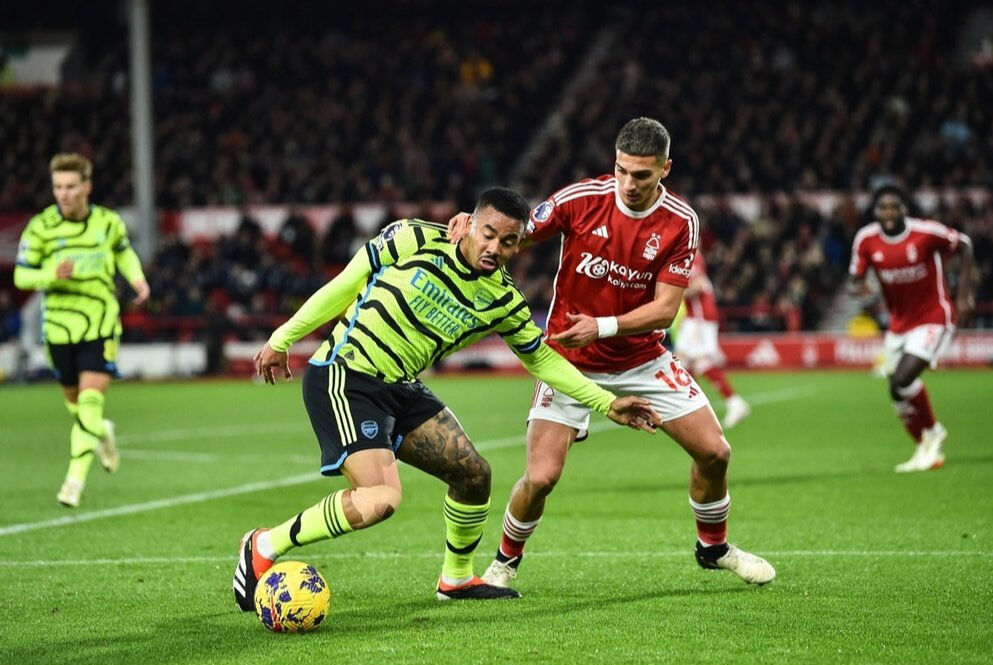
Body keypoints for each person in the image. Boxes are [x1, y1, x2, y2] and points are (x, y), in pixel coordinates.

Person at [235, 187, 661, 609]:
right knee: (381, 499)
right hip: (347, 375)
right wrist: (283, 337)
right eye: (489, 233)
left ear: (519, 245)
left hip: (401, 387)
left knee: (474, 475)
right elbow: (344, 284)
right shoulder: (411, 238)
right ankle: (263, 544)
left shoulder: (502, 301)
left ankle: (455, 579)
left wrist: (607, 402)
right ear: (471, 223)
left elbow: (543, 361)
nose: (495, 247)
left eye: (508, 241)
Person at [449, 118, 775, 590]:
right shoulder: (579, 200)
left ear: (665, 169)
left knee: (715, 452)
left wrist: (601, 326)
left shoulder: (680, 223)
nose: (629, 183)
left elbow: (665, 310)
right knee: (540, 478)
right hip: (567, 360)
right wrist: (472, 227)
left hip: (643, 359)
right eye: (621, 170)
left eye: (642, 175)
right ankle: (503, 563)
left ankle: (714, 548)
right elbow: (514, 235)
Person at [13, 153, 150, 507]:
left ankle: (74, 480)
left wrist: (138, 281)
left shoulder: (107, 222)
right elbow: (21, 275)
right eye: (58, 187)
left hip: (100, 324)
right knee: (79, 409)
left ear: (86, 187)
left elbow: (124, 253)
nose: (64, 193)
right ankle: (103, 431)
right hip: (58, 329)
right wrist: (49, 276)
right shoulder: (41, 227)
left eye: (71, 186)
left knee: (89, 404)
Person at [848, 184, 975, 472]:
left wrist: (966, 293)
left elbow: (965, 244)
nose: (889, 212)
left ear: (905, 209)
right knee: (896, 392)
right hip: (899, 323)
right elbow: (854, 278)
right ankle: (924, 446)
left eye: (895, 206)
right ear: (876, 211)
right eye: (883, 207)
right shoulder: (866, 239)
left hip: (933, 316)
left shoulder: (926, 233)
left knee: (901, 380)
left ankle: (934, 431)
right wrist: (858, 287)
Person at [673, 249, 751, 428]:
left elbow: (699, 284)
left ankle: (733, 402)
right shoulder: (683, 255)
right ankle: (688, 408)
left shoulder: (692, 254)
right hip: (696, 317)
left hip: (699, 318)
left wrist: (673, 294)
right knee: (684, 361)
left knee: (696, 361)